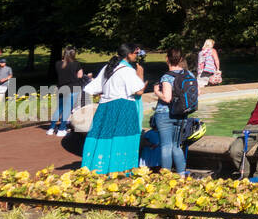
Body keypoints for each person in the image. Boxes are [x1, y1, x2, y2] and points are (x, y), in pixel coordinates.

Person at [81, 45, 146, 173]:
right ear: (128, 54)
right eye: (134, 53)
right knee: (122, 137)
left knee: (103, 137)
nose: (136, 56)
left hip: (105, 107)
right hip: (124, 108)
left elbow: (92, 89)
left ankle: (98, 166)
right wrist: (141, 74)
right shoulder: (127, 70)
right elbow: (139, 91)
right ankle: (120, 169)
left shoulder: (107, 67)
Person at [152, 49, 190, 175]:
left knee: (166, 146)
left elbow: (167, 98)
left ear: (167, 59)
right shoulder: (189, 74)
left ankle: (166, 177)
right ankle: (181, 175)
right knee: (177, 146)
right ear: (181, 60)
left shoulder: (167, 76)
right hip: (182, 114)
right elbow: (198, 92)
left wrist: (157, 91)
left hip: (165, 114)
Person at [48, 47, 86, 135]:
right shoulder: (76, 64)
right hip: (73, 88)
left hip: (61, 88)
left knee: (59, 109)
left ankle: (51, 128)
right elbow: (80, 76)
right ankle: (61, 129)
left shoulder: (57, 63)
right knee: (67, 110)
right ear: (73, 54)